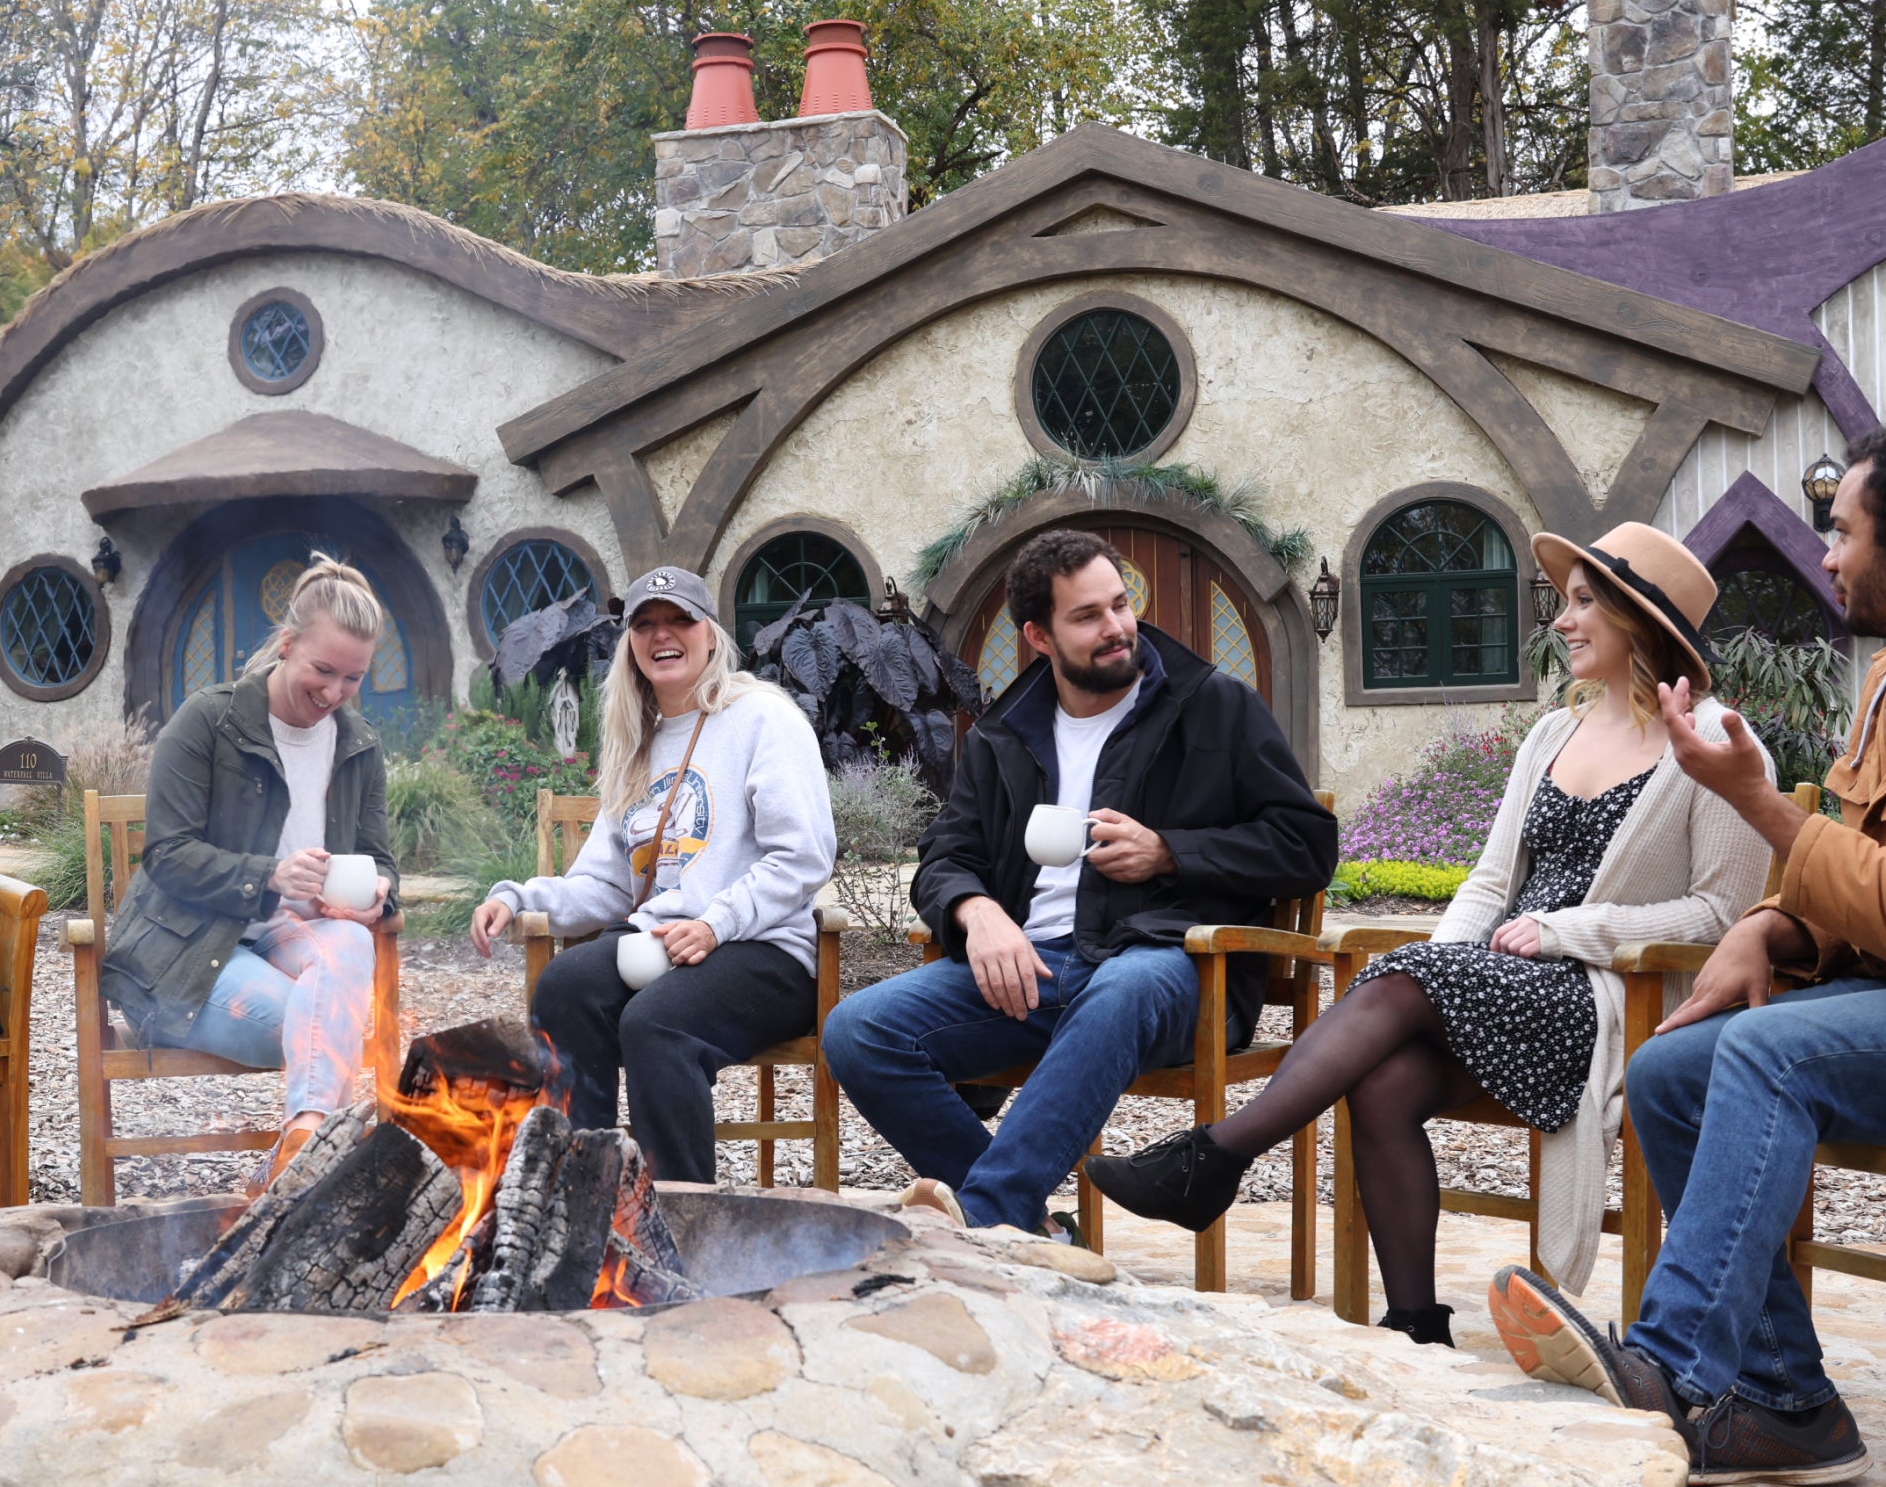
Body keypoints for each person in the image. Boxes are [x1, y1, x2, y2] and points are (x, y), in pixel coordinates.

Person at [1093, 522, 1769, 1337]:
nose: (1559, 621)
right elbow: (1490, 881)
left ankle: (1216, 1158)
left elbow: (1719, 916)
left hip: (1609, 1000)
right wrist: (1448, 969)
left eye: (1583, 603)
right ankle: (1416, 1323)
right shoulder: (1556, 731)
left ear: (1640, 617)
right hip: (1505, 982)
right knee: (1382, 1082)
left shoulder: (1720, 744)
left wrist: (1568, 931)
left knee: (1412, 978)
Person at [1491, 439, 1886, 1484]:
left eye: (1842, 530)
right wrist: (1777, 930)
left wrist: (1754, 805)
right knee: (1672, 1069)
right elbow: (1861, 890)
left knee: (1760, 1054)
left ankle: (1665, 1364)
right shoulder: (1885, 683)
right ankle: (1790, 1405)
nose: (1828, 556)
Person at [822, 528, 1336, 1235]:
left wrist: (1169, 852)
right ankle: (1029, 1230)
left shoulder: (1213, 705)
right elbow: (946, 853)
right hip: (1036, 971)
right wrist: (976, 912)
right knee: (858, 1029)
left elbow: (1307, 845)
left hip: (1170, 967)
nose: (1117, 628)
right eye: (1087, 617)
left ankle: (990, 1219)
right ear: (1039, 636)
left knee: (1120, 987)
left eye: (1119, 605)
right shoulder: (1005, 731)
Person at [470, 566, 834, 1182]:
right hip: (666, 945)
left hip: (764, 950)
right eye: (645, 624)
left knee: (655, 1024)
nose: (662, 635)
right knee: (564, 986)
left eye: (679, 620)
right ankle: (581, 1192)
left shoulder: (764, 720)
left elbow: (803, 856)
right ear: (631, 645)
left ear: (711, 635)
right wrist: (516, 896)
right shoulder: (639, 741)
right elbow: (608, 886)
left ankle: (681, 1211)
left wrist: (716, 924)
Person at [102, 556, 396, 1148]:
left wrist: (379, 897)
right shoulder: (207, 722)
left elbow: (378, 859)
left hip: (296, 940)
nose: (336, 692)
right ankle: (321, 1156)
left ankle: (303, 1142)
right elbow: (167, 854)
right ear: (286, 644)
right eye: (324, 669)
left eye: (354, 678)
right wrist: (272, 875)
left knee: (352, 942)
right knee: (321, 1026)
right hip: (189, 952)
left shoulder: (358, 744)